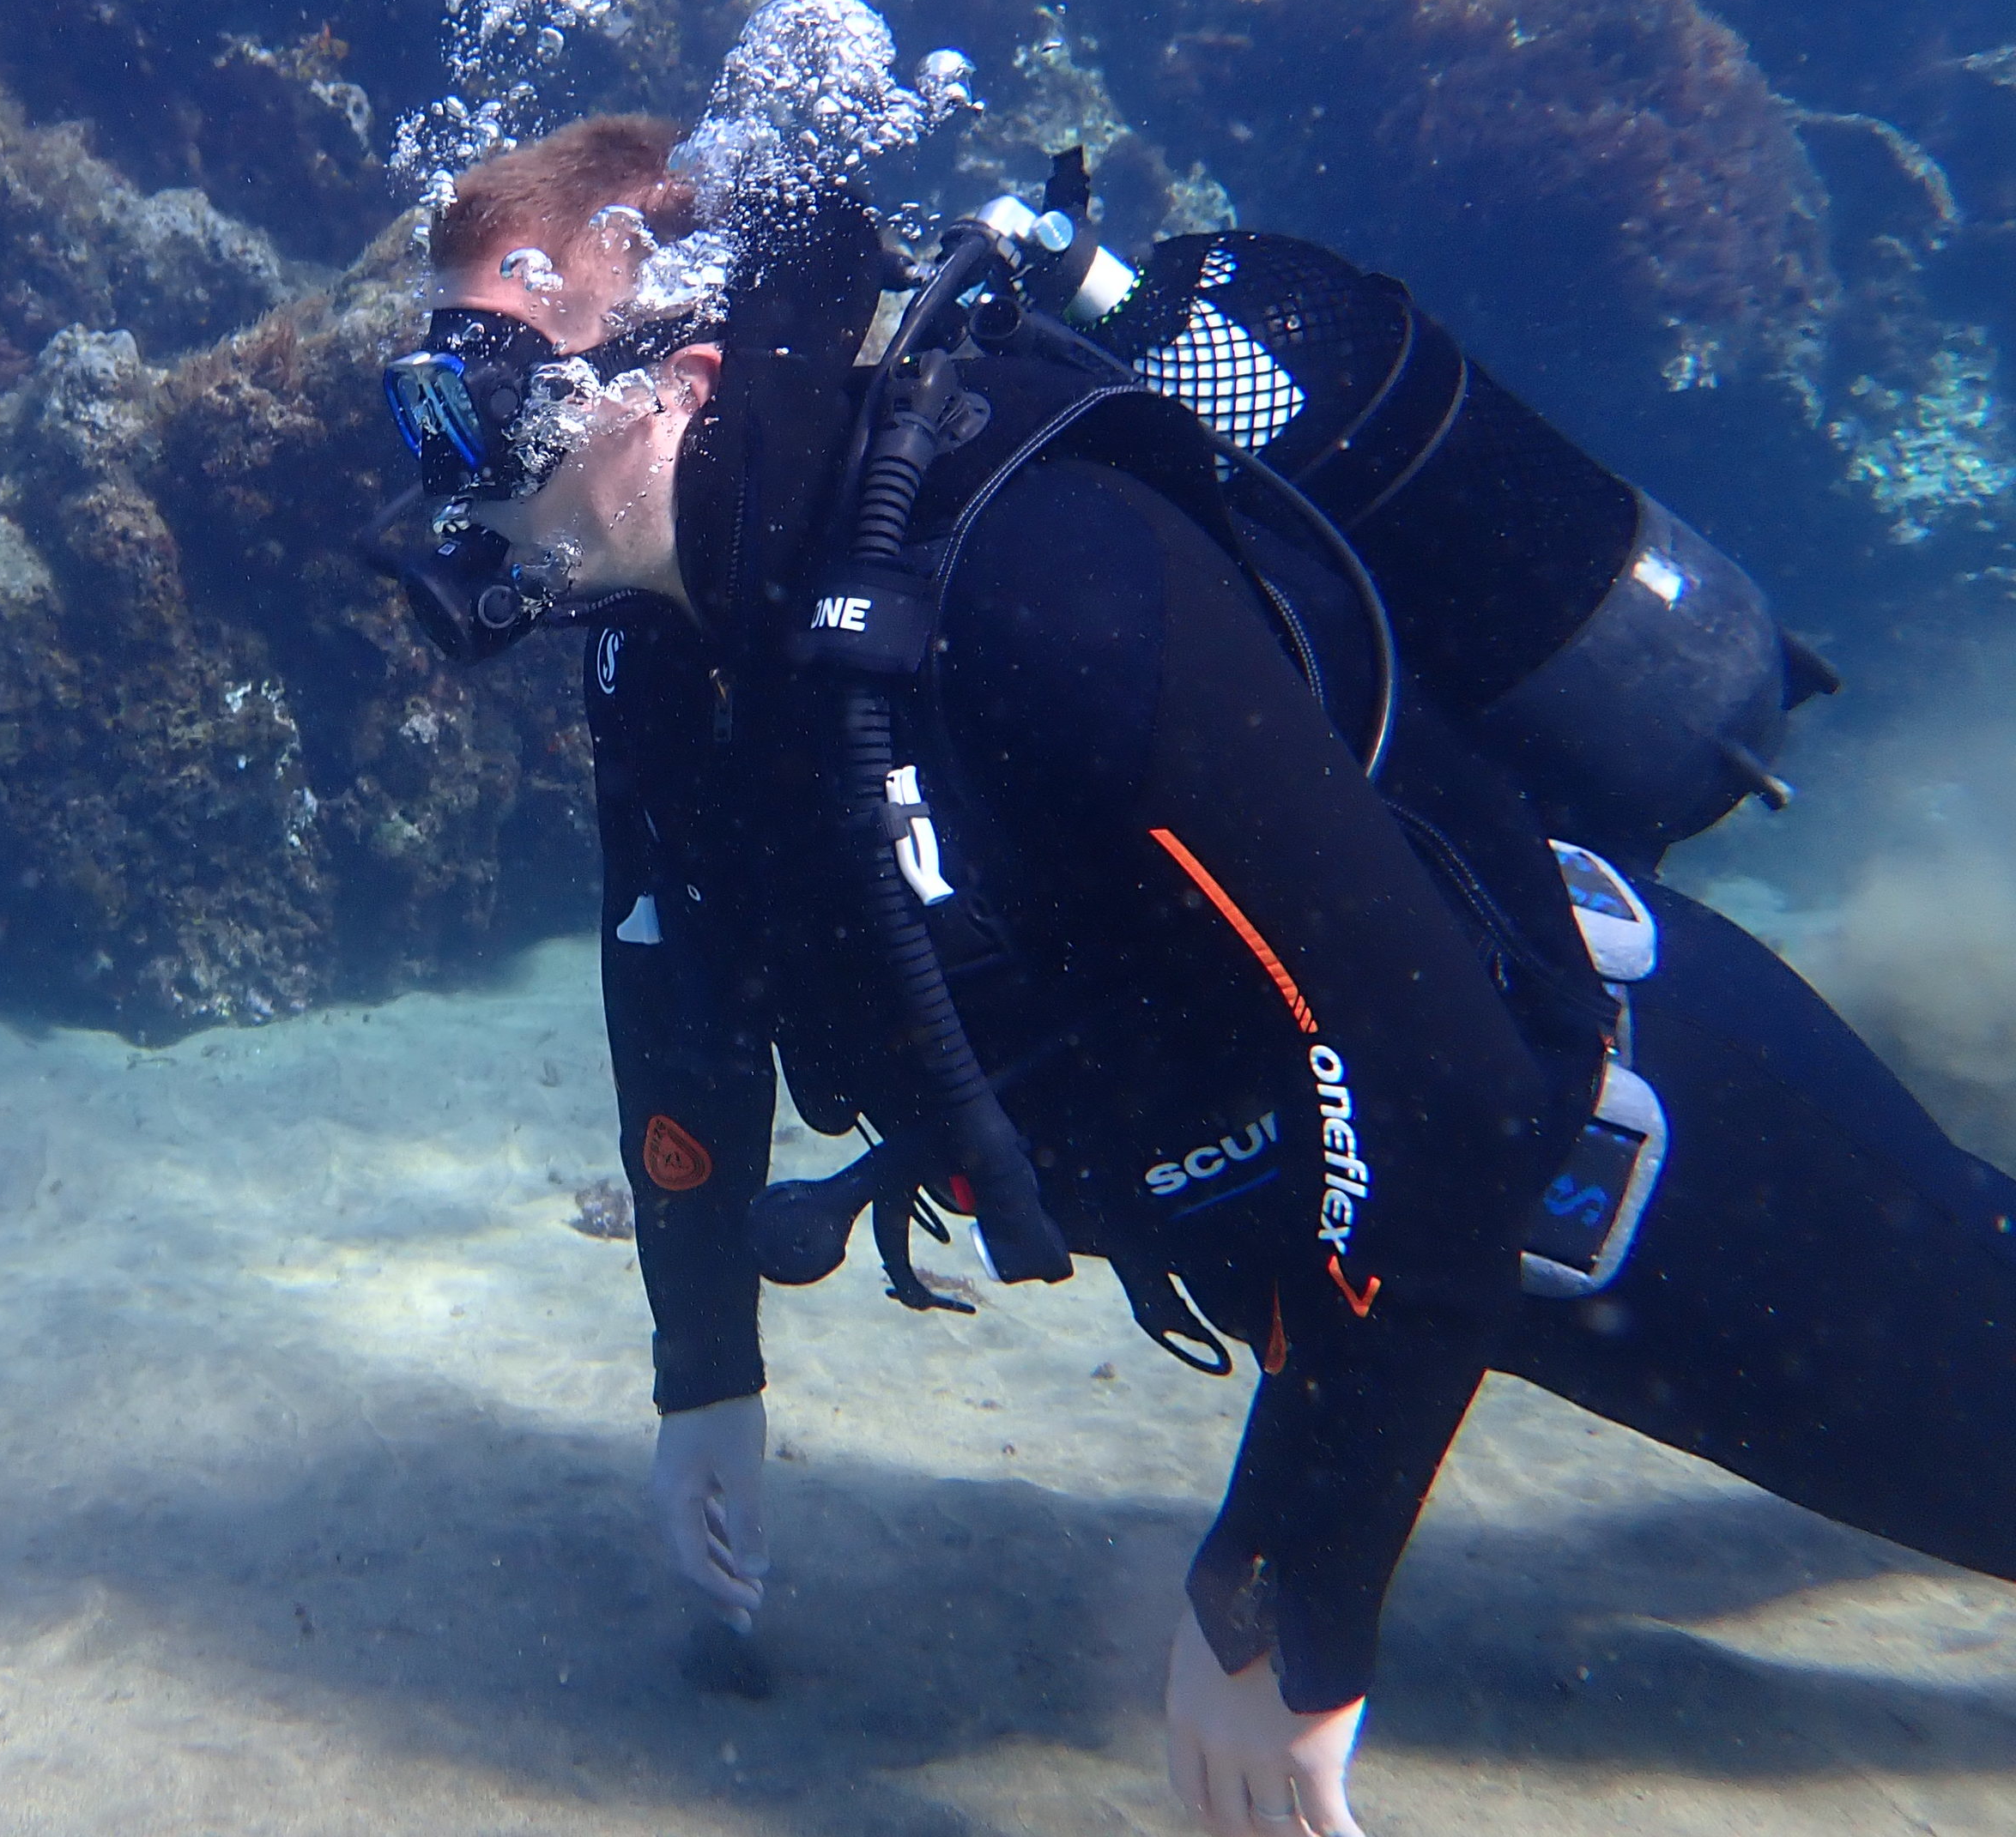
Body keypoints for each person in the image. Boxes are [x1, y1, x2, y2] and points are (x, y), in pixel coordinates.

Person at [372, 106, 2016, 1837]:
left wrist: (1280, 1592)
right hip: (1360, 1255)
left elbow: (1452, 1086)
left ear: (682, 376)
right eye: (433, 393)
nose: (456, 466)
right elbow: (676, 1002)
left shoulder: (1039, 574)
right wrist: (704, 1371)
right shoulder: (676, 659)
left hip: (1623, 1156)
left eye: (491, 389)